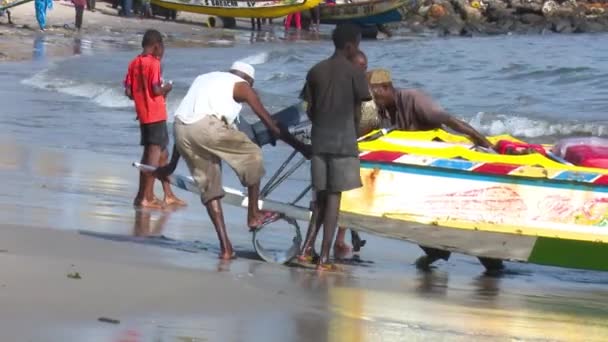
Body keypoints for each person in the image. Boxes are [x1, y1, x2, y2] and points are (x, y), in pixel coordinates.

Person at [153, 61, 311, 260]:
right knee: (252, 155)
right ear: (249, 80)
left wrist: (172, 165)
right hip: (207, 128)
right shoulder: (242, 86)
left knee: (210, 189)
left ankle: (226, 248)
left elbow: (189, 121)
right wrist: (303, 148)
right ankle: (253, 215)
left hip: (180, 128)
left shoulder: (205, 79)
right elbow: (271, 126)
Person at [368, 68, 494, 269]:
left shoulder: (413, 99)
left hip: (442, 170)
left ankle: (492, 262)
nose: (372, 99)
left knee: (465, 219)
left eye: (374, 93)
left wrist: (490, 148)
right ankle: (437, 252)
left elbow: (451, 121)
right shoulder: (381, 109)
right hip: (413, 172)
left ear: (385, 87)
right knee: (404, 211)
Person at [298, 23, 372, 270]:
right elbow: (358, 110)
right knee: (333, 200)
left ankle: (306, 251)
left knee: (320, 197)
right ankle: (324, 258)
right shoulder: (354, 73)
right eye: (358, 44)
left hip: (319, 140)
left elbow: (309, 109)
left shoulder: (315, 70)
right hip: (343, 142)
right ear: (350, 45)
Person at [124, 29, 185, 209]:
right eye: (162, 48)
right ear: (157, 46)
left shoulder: (134, 63)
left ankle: (168, 194)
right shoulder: (154, 64)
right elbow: (156, 90)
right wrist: (167, 88)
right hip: (155, 114)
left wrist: (141, 98)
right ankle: (146, 197)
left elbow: (128, 92)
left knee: (162, 153)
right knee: (153, 155)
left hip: (143, 113)